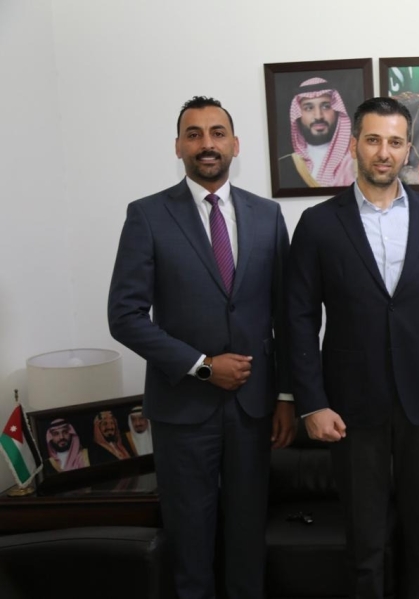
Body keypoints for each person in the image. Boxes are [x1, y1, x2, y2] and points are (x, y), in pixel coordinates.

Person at [286, 96, 419, 598]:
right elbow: (299, 320)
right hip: (349, 406)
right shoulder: (318, 224)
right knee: (364, 541)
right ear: (355, 145)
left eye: (395, 142)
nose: (384, 152)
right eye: (373, 140)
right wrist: (312, 403)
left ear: (408, 149)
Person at [108, 95, 295, 599]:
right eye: (194, 134)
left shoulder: (267, 215)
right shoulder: (147, 216)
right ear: (178, 147)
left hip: (254, 408)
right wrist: (203, 366)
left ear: (236, 144)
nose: (206, 144)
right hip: (182, 408)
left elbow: (285, 316)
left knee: (247, 537)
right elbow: (124, 317)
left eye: (217, 133)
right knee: (190, 540)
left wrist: (285, 396)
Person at [278, 77, 356, 189]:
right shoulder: (283, 166)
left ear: (337, 111)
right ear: (298, 115)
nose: (318, 116)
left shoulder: (356, 159)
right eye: (309, 108)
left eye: (326, 106)